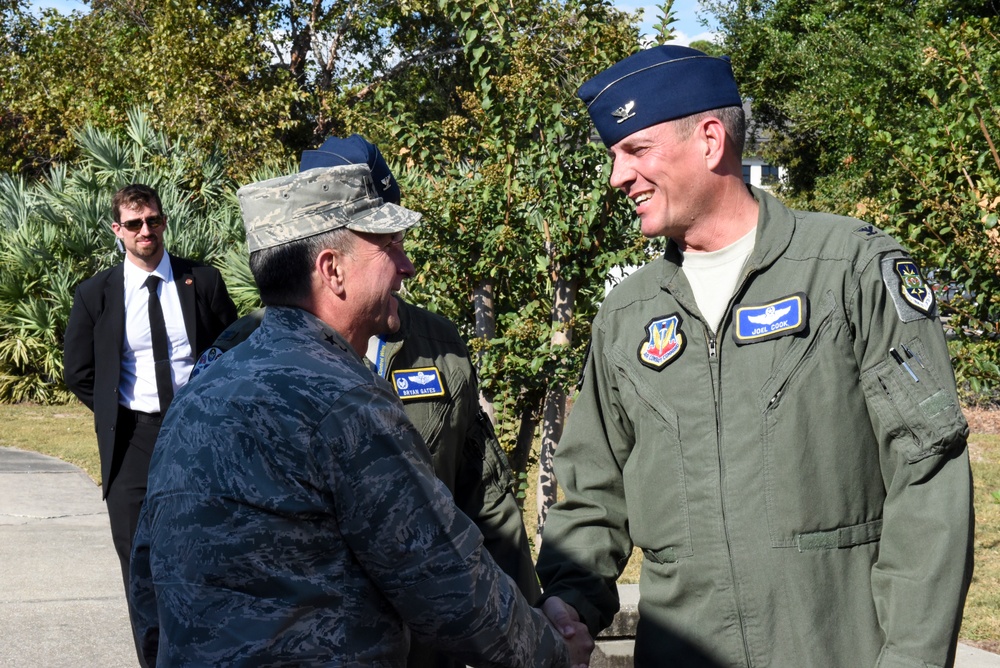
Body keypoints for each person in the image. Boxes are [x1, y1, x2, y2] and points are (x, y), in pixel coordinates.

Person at [535, 45, 975, 667]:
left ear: (710, 140)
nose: (617, 177)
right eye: (614, 156)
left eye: (635, 151)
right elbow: (590, 492)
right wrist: (569, 602)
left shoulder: (849, 270)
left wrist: (912, 658)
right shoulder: (627, 316)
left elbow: (926, 477)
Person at [129, 163, 592, 666]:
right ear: (333, 269)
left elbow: (147, 578)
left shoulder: (201, 393)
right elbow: (449, 587)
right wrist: (554, 653)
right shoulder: (345, 405)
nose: (407, 265)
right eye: (389, 247)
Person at [62, 183, 237, 664]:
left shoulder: (201, 280)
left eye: (154, 221)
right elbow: (77, 372)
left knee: (205, 553)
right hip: (133, 442)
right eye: (135, 224)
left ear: (163, 222)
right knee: (141, 567)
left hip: (197, 435)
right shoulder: (96, 293)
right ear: (117, 230)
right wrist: (115, 410)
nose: (147, 232)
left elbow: (232, 352)